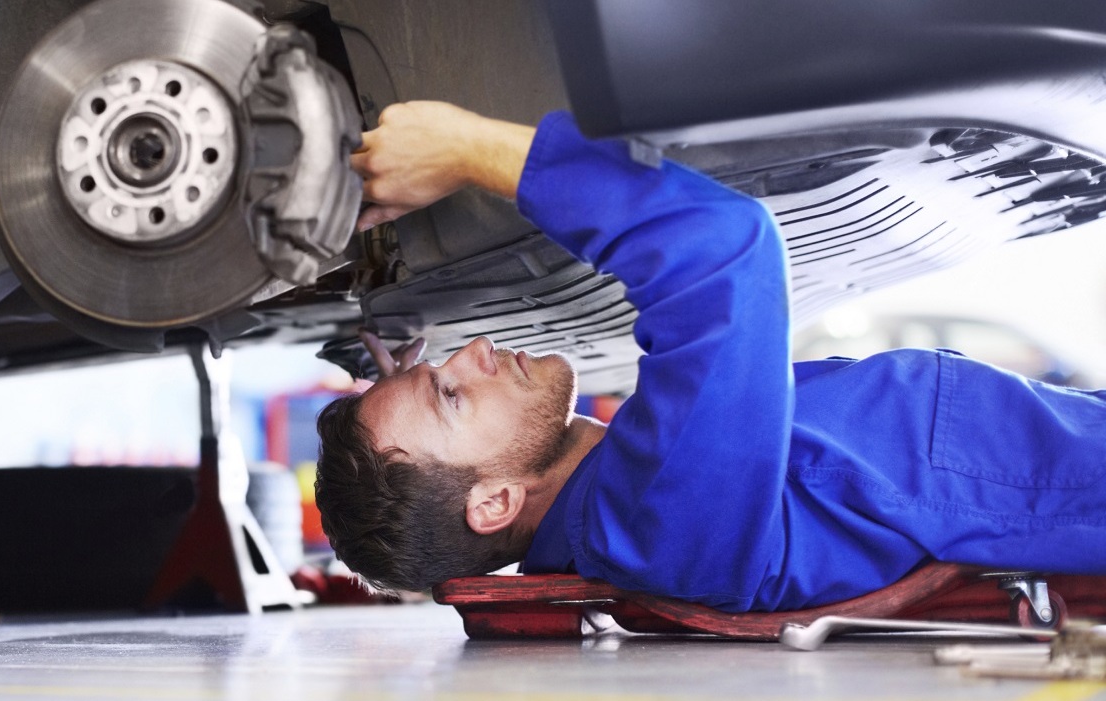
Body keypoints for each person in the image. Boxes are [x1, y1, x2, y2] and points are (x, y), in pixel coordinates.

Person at [315, 101, 1106, 612]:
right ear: (492, 506)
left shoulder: (633, 498)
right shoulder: (655, 519)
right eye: (453, 394)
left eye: (442, 366)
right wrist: (466, 146)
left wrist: (410, 386)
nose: (476, 350)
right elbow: (722, 250)